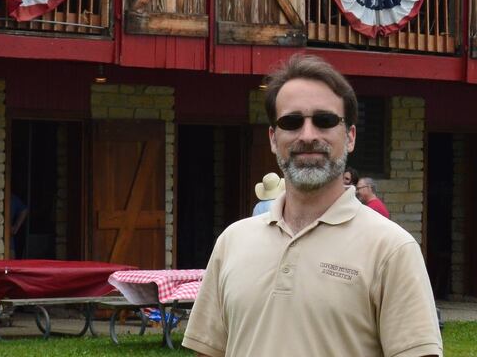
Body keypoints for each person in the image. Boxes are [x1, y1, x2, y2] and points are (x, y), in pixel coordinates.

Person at [183, 54, 442, 357]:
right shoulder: (232, 241)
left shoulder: (391, 249)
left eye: (325, 120)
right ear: (272, 137)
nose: (308, 135)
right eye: (291, 122)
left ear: (350, 137)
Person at [11, 194, 29, 259]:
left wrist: (16, 227)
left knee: (11, 265)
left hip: (9, 240)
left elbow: (24, 210)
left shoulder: (11, 198)